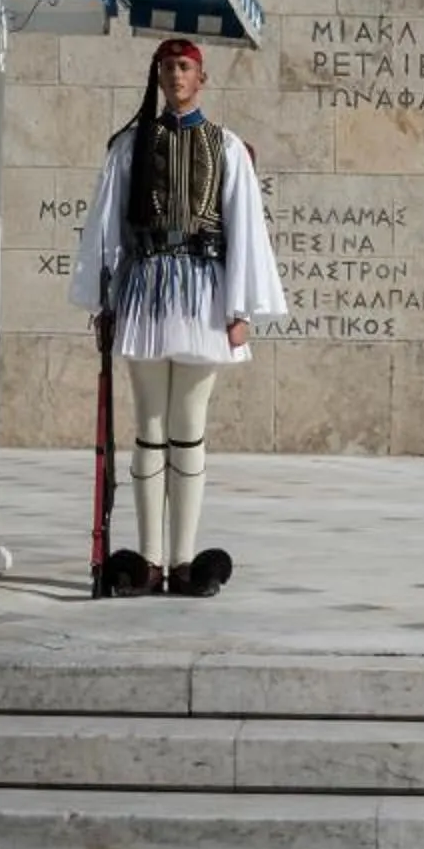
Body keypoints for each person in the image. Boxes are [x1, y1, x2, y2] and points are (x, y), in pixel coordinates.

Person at [70, 36, 284, 595]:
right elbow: (107, 228)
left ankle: (185, 559)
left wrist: (241, 307)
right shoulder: (130, 145)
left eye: (185, 67)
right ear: (158, 76)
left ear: (202, 78)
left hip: (202, 292)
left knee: (188, 428)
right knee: (149, 428)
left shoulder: (227, 147)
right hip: (144, 290)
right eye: (167, 67)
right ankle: (149, 559)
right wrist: (104, 301)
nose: (176, 76)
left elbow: (245, 230)